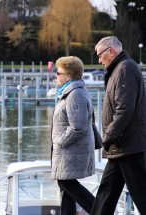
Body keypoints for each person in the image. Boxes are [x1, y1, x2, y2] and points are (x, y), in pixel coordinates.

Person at [90, 36, 146, 215]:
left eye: (100, 55)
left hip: (128, 145)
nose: (99, 60)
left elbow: (125, 109)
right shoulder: (119, 69)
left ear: (111, 51)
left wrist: (107, 137)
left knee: (142, 196)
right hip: (121, 146)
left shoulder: (125, 69)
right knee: (106, 194)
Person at [51, 56, 95, 215]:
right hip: (67, 151)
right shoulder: (68, 92)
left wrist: (60, 141)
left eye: (58, 72)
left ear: (68, 76)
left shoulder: (75, 94)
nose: (56, 75)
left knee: (67, 183)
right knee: (65, 186)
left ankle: (99, 210)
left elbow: (78, 127)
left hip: (70, 150)